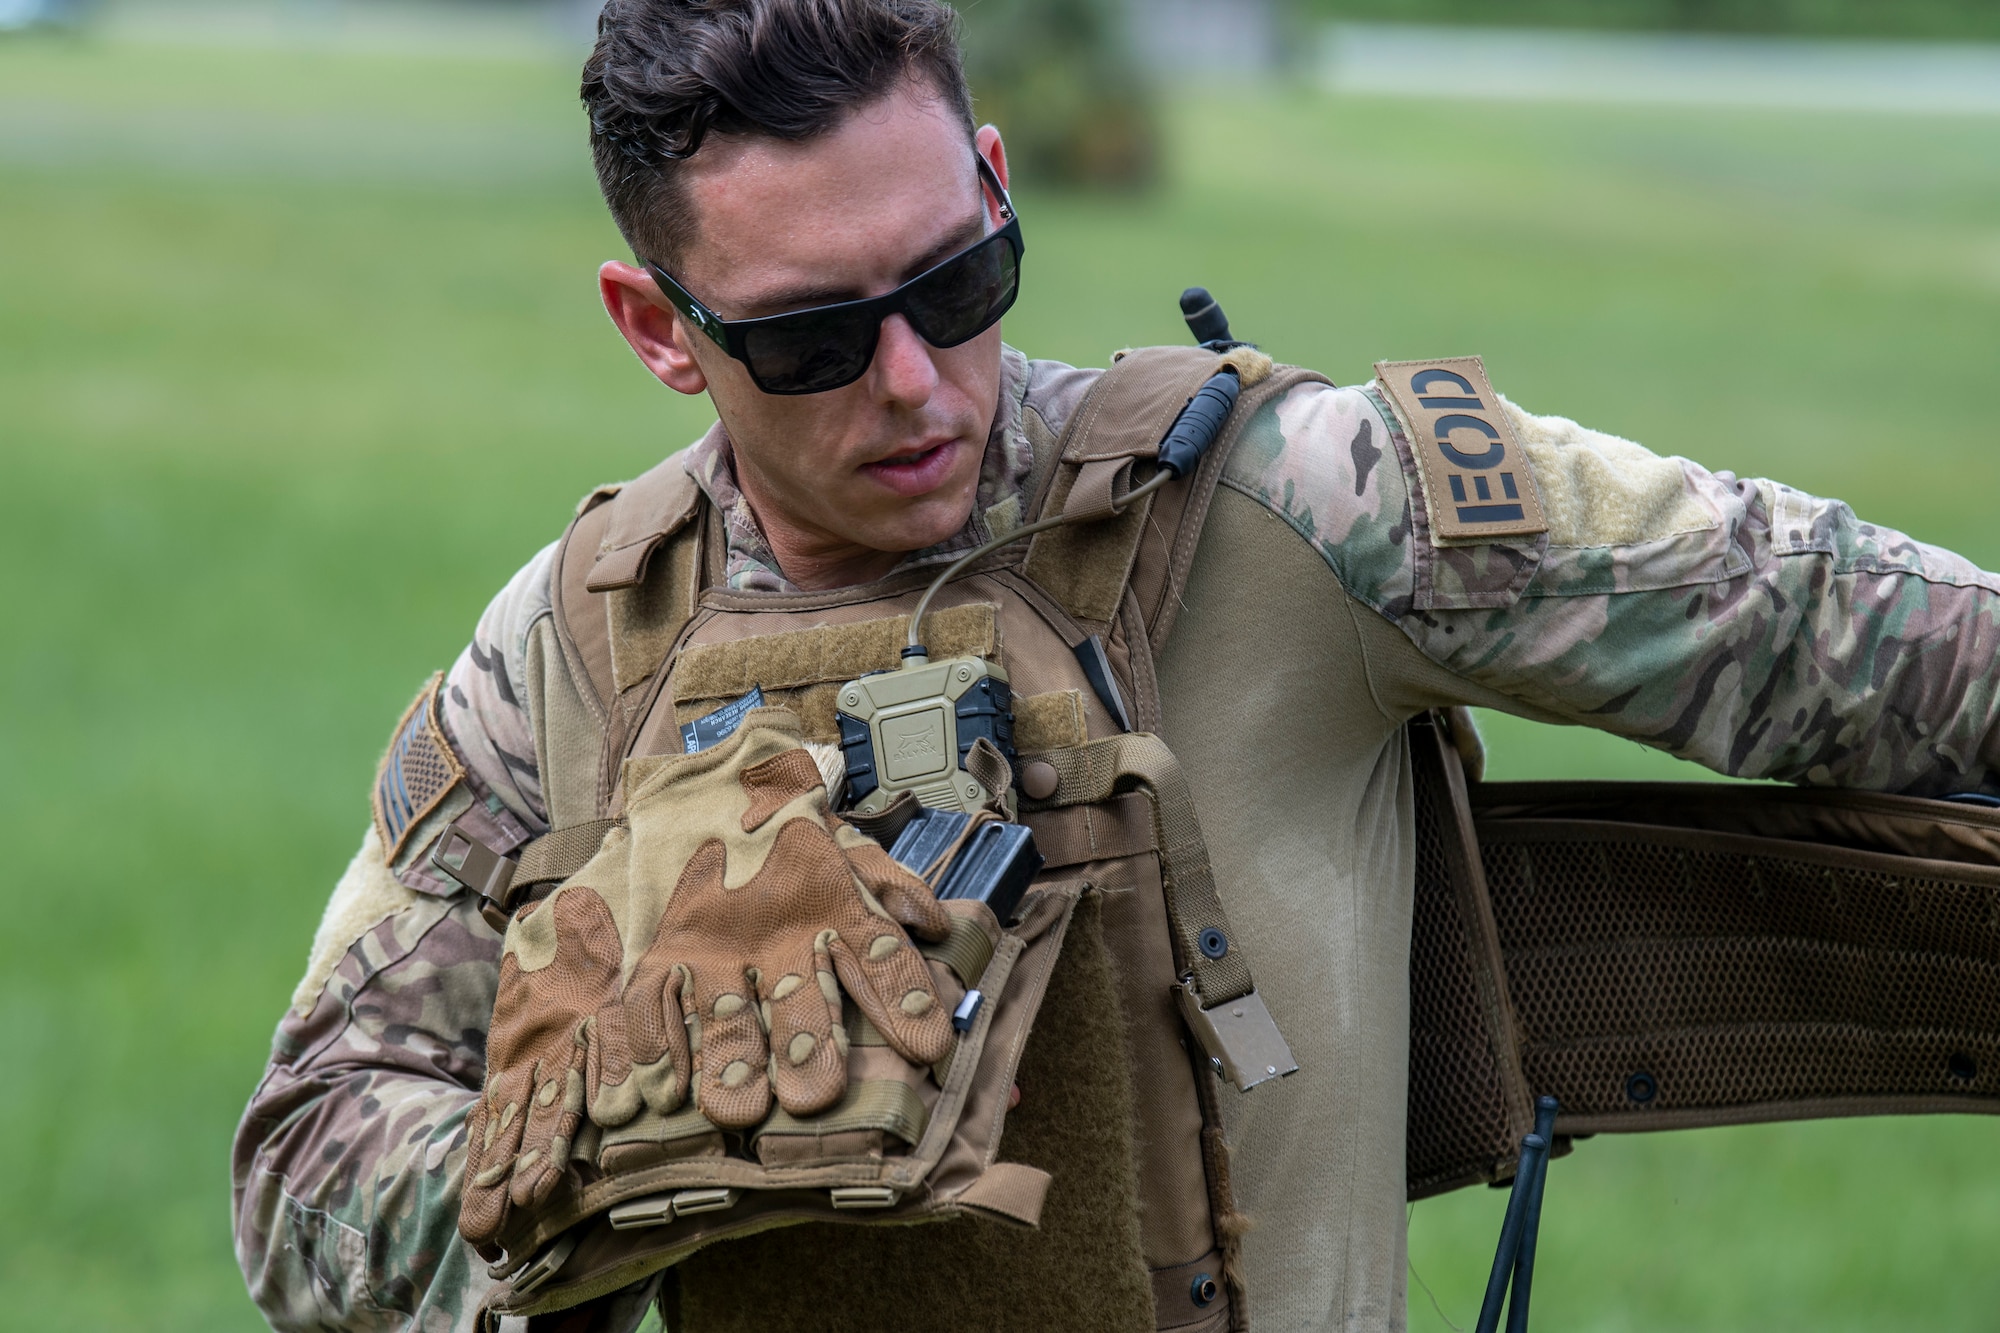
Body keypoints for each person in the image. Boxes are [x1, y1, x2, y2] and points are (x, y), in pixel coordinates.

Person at [229, 0, 2000, 1329]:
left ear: (998, 183)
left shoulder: (1306, 504)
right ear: (658, 330)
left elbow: (1885, 642)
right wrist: (617, 1152)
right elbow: (302, 1164)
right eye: (816, 336)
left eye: (960, 278)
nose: (915, 381)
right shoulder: (579, 644)